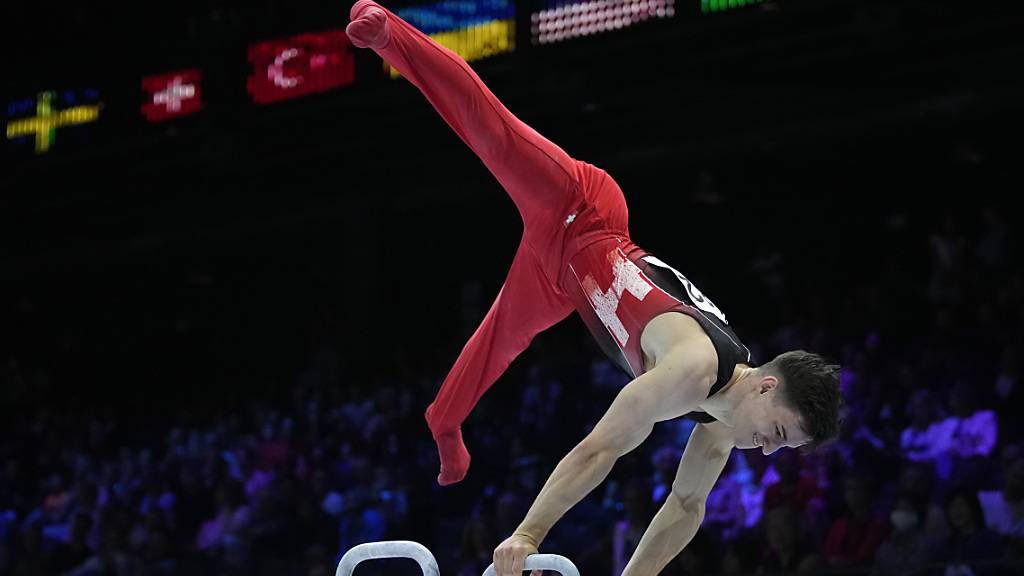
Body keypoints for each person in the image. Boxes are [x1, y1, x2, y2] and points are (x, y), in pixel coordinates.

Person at [344, 3, 842, 574]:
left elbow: (686, 505)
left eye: (785, 446)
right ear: (766, 386)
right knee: (491, 129)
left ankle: (444, 421)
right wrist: (527, 535)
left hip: (564, 282)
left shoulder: (724, 421)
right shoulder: (692, 367)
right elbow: (600, 448)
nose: (770, 449)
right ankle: (389, 34)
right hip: (583, 212)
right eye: (778, 431)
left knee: (501, 340)